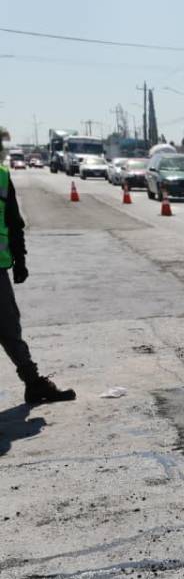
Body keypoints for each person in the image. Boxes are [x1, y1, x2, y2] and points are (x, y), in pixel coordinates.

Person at [0, 155, 76, 406]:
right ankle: (33, 382)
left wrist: (19, 259)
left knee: (9, 326)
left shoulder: (1, 175)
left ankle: (33, 383)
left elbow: (12, 221)